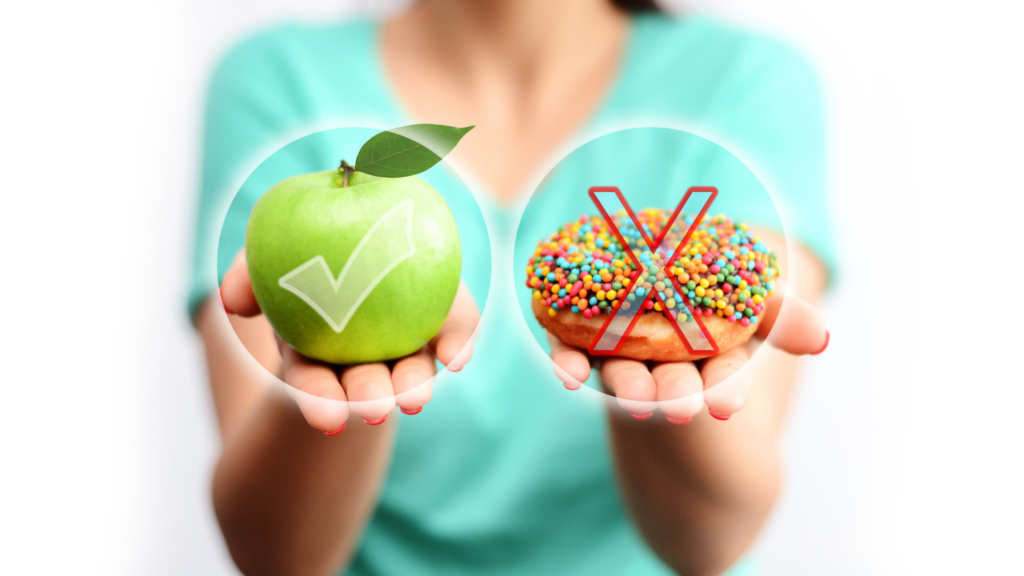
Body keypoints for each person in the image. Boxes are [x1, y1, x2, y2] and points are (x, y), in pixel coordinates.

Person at [190, 1, 832, 574]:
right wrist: (345, 343)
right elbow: (275, 558)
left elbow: (712, 542)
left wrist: (651, 367)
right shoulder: (281, 82)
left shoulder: (744, 82)